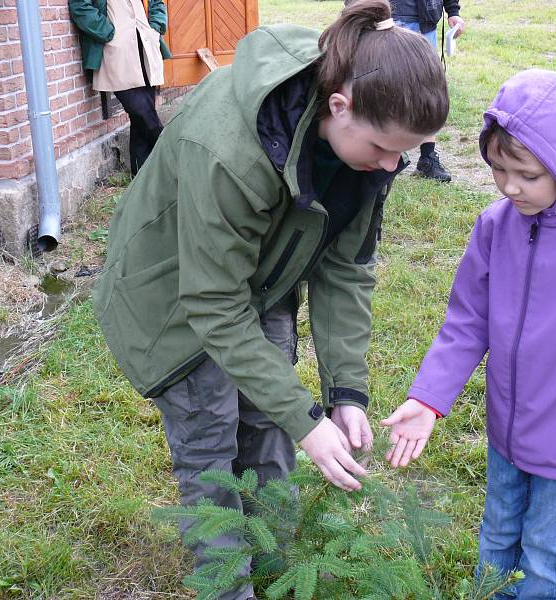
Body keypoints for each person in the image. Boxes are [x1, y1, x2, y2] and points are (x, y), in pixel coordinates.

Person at [92, 1, 448, 597]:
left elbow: (345, 270)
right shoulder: (229, 149)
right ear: (340, 106)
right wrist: (309, 422)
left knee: (272, 426)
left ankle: (278, 571)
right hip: (175, 303)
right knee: (211, 446)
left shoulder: (365, 146)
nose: (394, 166)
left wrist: (344, 394)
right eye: (386, 149)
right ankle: (228, 587)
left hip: (259, 281)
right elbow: (212, 305)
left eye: (405, 153)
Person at [382, 69, 556, 598]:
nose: (511, 187)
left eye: (527, 174)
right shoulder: (495, 224)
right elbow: (467, 320)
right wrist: (428, 399)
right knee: (498, 535)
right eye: (498, 170)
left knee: (543, 553)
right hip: (507, 433)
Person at [69, 0, 172, 175]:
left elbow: (157, 3)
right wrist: (108, 32)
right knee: (142, 112)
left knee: (139, 118)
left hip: (146, 47)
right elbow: (79, 6)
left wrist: (155, 27)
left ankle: (141, 177)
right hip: (116, 51)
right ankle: (175, 155)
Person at [391, 0, 465, 182]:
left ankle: (427, 158)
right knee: (390, 90)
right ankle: (384, 155)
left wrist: (453, 11)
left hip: (425, 22)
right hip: (389, 21)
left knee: (427, 92)